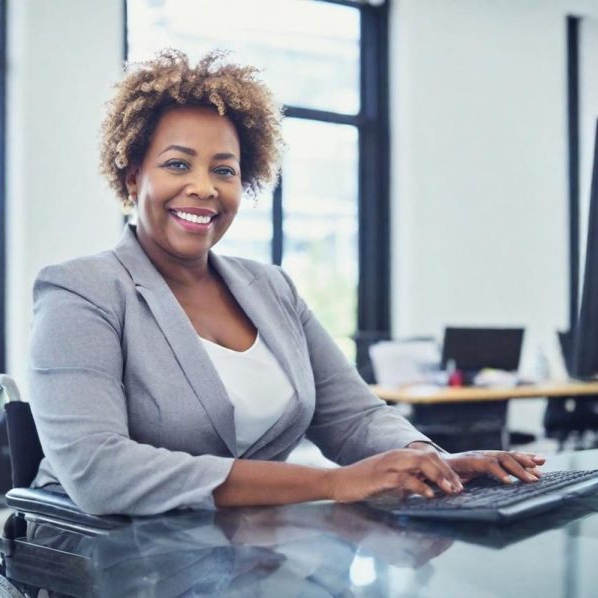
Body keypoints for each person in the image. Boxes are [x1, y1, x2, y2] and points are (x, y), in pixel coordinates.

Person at [29, 49, 544, 517]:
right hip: (111, 554)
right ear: (133, 176)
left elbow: (354, 417)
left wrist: (429, 460)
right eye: (177, 164)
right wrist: (333, 483)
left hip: (245, 548)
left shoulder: (272, 289)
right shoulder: (82, 290)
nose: (203, 187)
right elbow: (100, 470)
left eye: (224, 171)